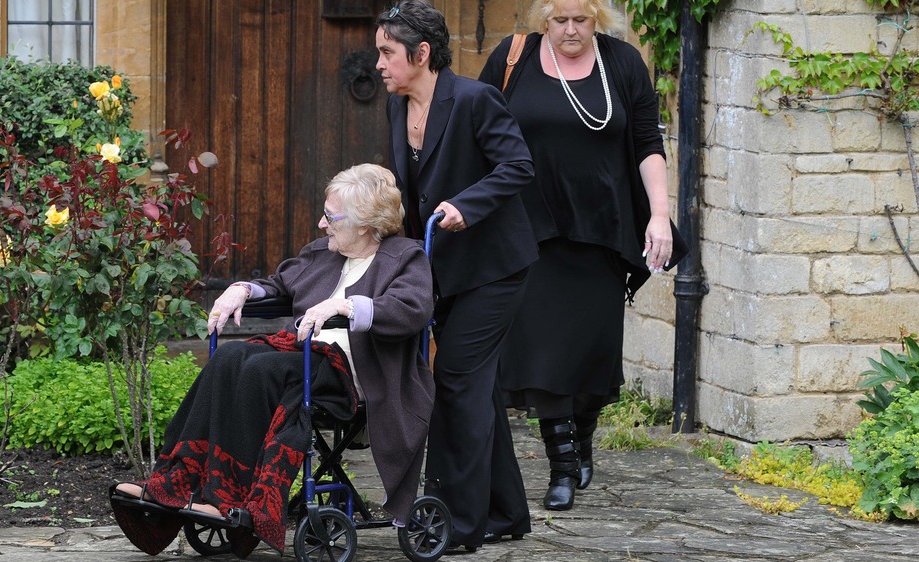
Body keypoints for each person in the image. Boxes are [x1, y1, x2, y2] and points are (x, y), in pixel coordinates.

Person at [109, 163, 435, 558]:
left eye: (331, 217)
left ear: (366, 224)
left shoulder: (405, 257)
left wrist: (345, 306)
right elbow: (279, 285)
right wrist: (241, 290)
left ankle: (230, 496)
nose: (321, 223)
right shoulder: (322, 253)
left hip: (356, 371)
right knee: (230, 357)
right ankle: (171, 481)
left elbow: (412, 309)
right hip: (303, 354)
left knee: (262, 369)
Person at [479, 0, 682, 511]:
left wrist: (659, 215)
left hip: (602, 227)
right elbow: (476, 128)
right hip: (530, 227)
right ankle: (562, 465)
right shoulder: (513, 57)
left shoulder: (623, 63)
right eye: (560, 20)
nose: (571, 30)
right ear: (543, 20)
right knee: (544, 351)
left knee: (594, 353)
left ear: (598, 20)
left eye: (582, 20)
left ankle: (584, 432)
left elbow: (647, 143)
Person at [374, 0, 538, 551]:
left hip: (494, 269)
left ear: (422, 54)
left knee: (457, 383)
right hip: (442, 272)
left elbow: (518, 165)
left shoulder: (473, 99)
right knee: (477, 389)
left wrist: (469, 203)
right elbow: (409, 189)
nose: (379, 64)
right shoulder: (397, 107)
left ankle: (456, 523)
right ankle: (506, 510)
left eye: (387, 53)